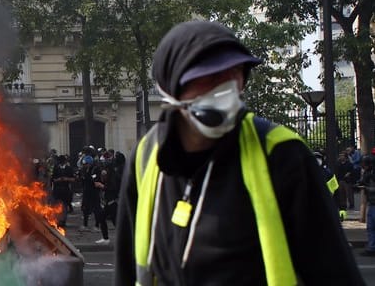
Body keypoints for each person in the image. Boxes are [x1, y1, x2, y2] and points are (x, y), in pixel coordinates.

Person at [114, 20, 364, 285]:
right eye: (211, 76)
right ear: (172, 86)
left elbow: (335, 271)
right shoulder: (146, 155)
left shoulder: (282, 153)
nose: (226, 88)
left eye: (235, 73)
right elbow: (127, 265)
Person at [357, 155, 375, 256]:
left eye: (365, 165)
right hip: (371, 203)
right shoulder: (368, 173)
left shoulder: (372, 174)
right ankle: (372, 247)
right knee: (370, 227)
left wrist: (366, 188)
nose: (363, 167)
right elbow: (363, 181)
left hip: (373, 203)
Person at [51, 155, 75, 227]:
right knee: (57, 205)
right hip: (57, 189)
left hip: (65, 189)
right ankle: (58, 220)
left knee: (64, 205)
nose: (61, 163)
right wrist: (58, 180)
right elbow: (53, 179)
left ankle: (63, 221)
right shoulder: (56, 168)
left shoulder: (69, 168)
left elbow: (73, 179)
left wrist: (66, 179)